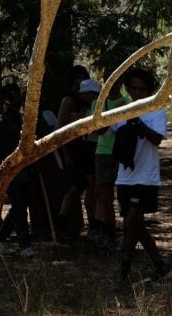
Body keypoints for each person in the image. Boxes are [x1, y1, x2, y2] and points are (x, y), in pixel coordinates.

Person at [111, 68, 169, 283]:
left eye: (142, 89)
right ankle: (160, 265)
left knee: (132, 221)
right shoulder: (121, 110)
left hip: (146, 176)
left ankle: (124, 271)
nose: (137, 93)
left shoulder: (156, 110)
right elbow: (110, 136)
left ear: (149, 90)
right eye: (133, 89)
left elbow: (156, 139)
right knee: (134, 224)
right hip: (125, 176)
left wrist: (138, 123)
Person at [0, 84, 36, 257]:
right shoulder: (0, 122)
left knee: (19, 206)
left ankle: (0, 238)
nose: (17, 99)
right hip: (9, 171)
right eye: (12, 96)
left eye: (17, 95)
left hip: (25, 170)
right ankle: (25, 246)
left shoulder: (24, 120)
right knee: (19, 207)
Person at [58, 77, 100, 239]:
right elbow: (63, 131)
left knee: (84, 189)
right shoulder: (71, 103)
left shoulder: (91, 107)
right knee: (83, 188)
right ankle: (63, 222)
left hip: (88, 150)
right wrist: (67, 153)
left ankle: (92, 224)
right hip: (80, 151)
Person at [90, 77, 129, 250]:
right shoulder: (97, 103)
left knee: (123, 197)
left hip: (122, 153)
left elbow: (127, 128)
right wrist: (114, 120)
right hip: (103, 152)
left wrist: (109, 124)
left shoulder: (128, 102)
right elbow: (96, 128)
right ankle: (108, 234)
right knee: (104, 196)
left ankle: (127, 236)